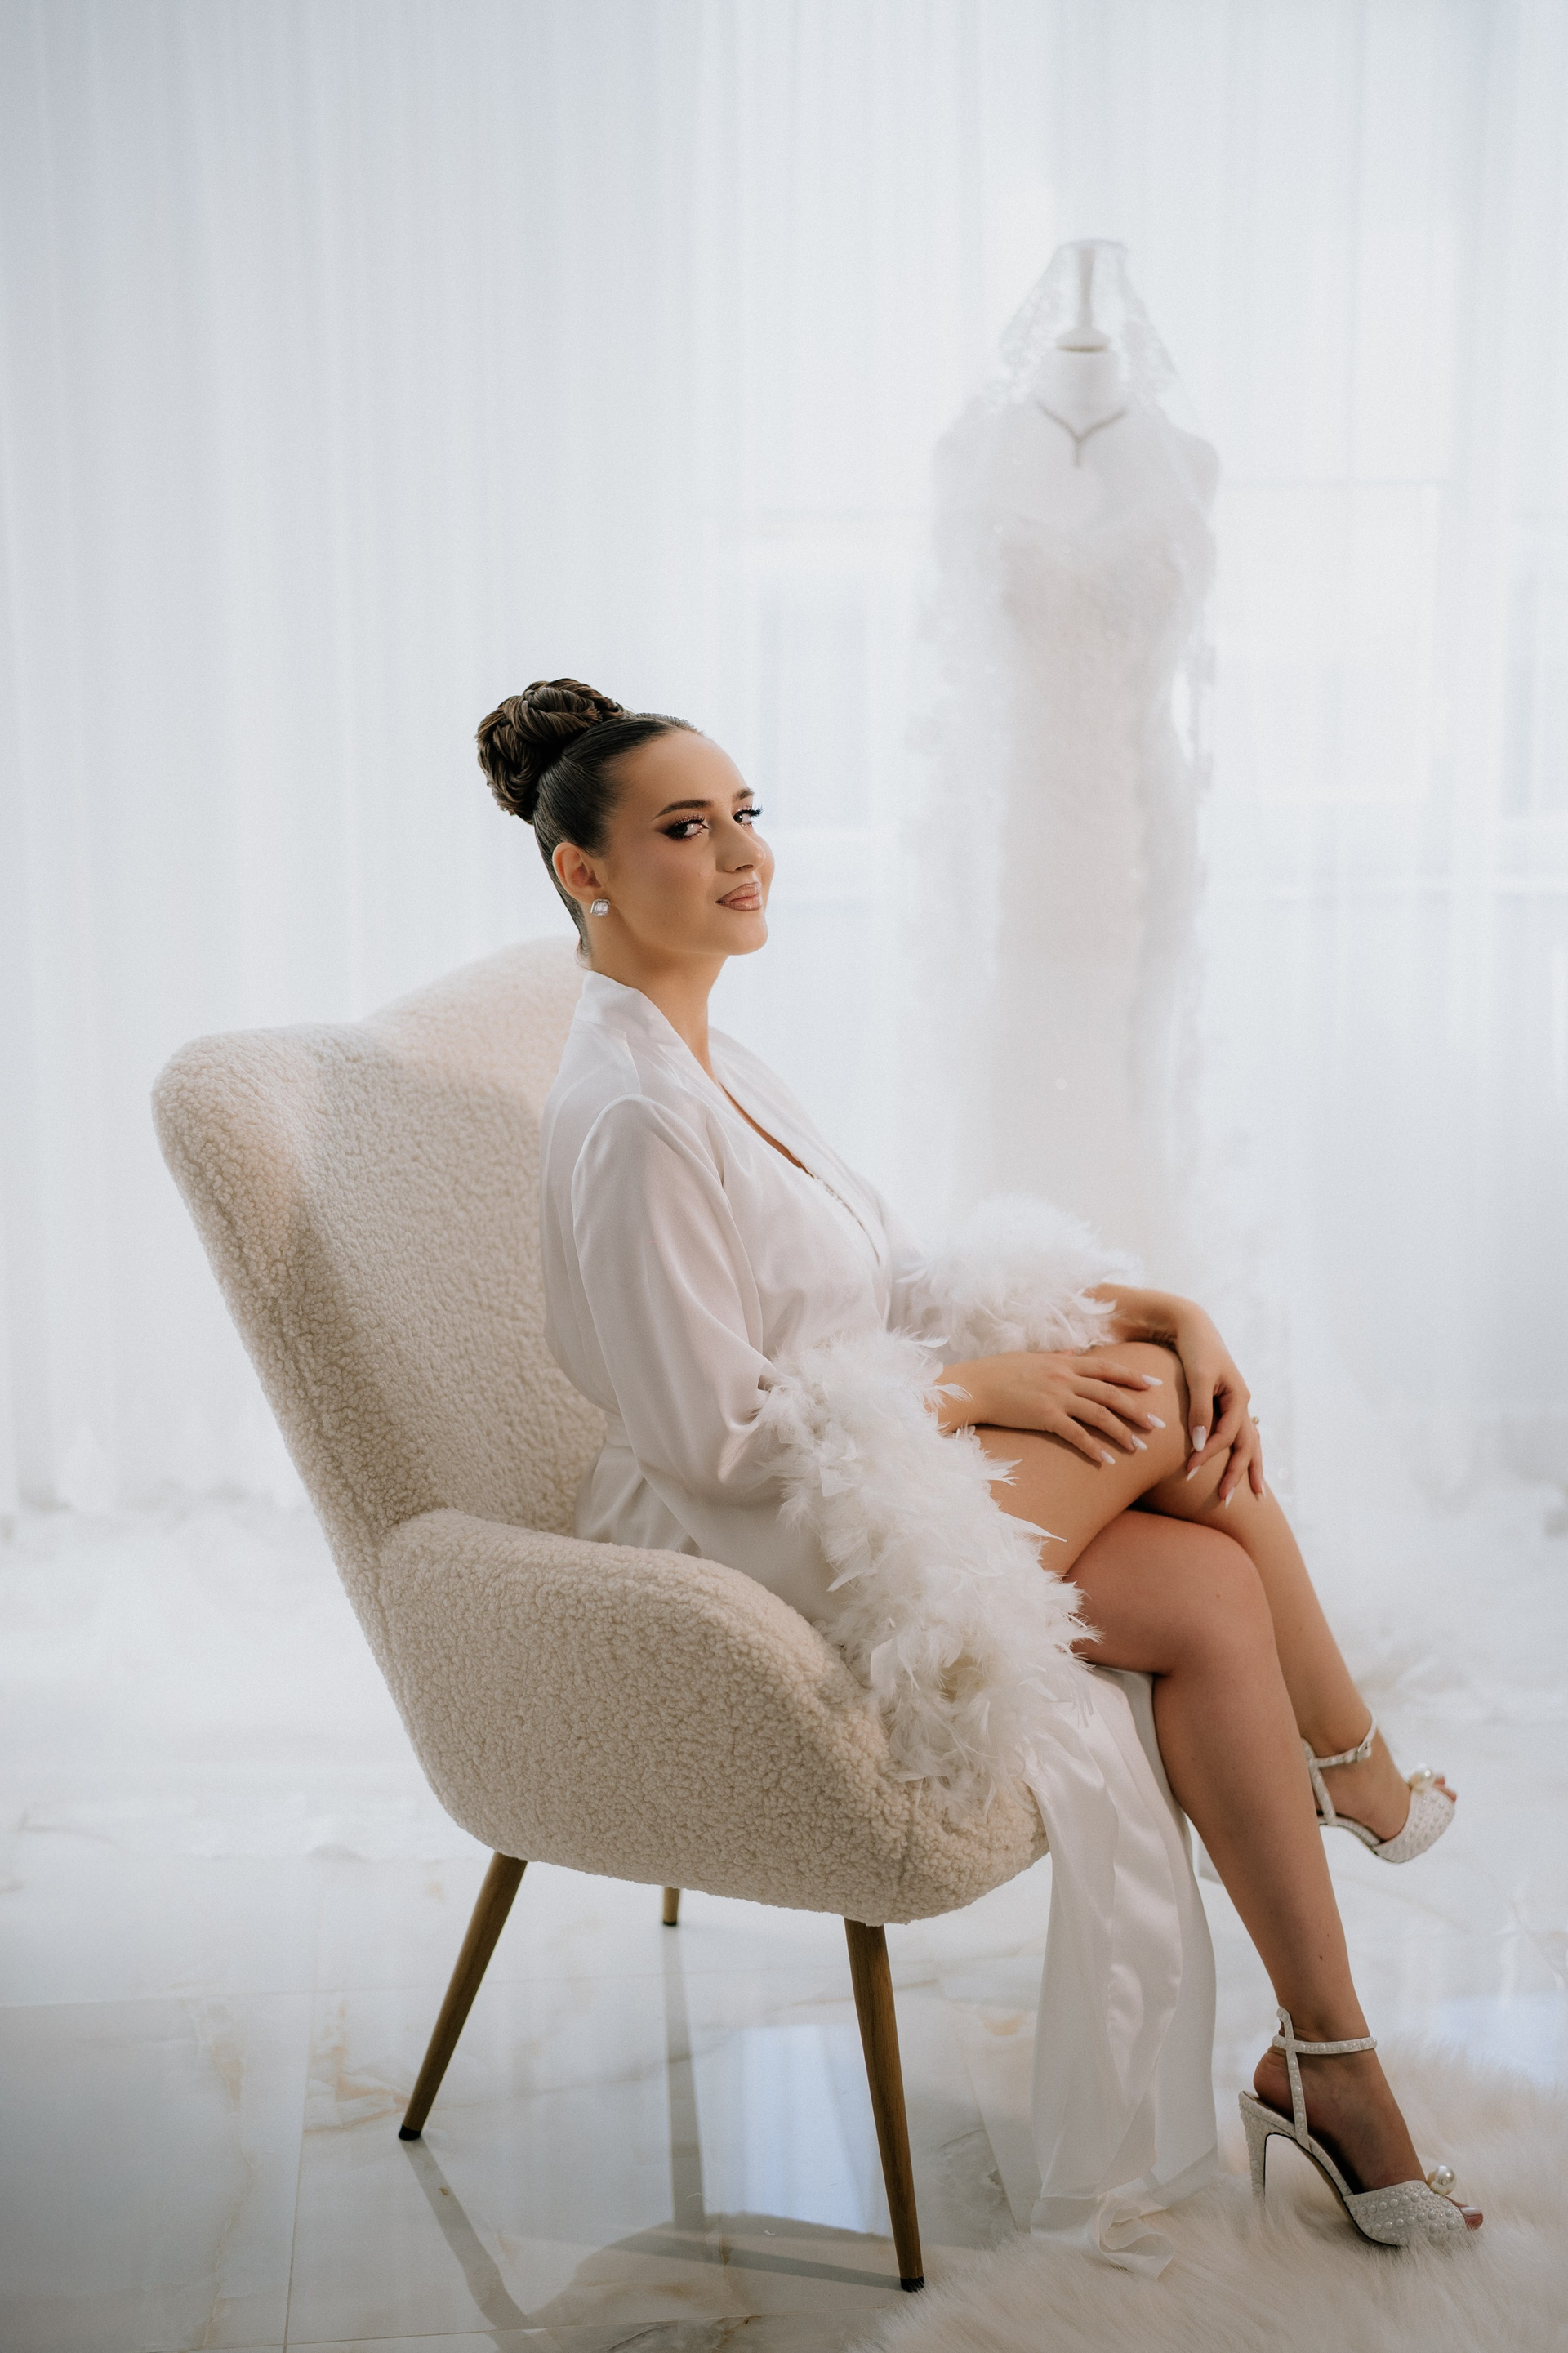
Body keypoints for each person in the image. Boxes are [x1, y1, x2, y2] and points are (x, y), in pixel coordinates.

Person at [478, 676, 1481, 2258]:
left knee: (1210, 1586)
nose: (742, 852)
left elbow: (877, 1283)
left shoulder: (714, 1056)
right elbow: (712, 1437)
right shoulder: (634, 1115)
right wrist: (988, 1387)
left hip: (843, 1467)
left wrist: (1155, 1303)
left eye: (747, 814)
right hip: (736, 1540)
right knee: (1160, 1415)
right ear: (581, 871)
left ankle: (1329, 2063)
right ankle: (1351, 1764)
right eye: (687, 827)